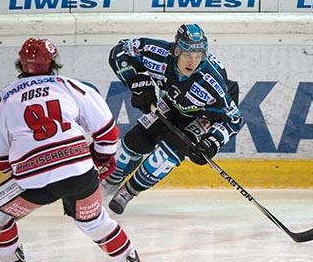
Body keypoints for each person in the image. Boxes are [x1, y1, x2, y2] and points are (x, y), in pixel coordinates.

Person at [0, 38, 155, 262]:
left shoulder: (3, 99)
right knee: (94, 222)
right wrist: (101, 160)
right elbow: (107, 132)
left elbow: (3, 161)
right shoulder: (70, 87)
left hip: (32, 181)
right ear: (54, 63)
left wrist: (10, 210)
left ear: (20, 64)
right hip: (79, 174)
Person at [103, 23, 242, 214]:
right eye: (187, 55)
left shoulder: (211, 83)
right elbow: (119, 52)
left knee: (169, 152)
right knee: (136, 141)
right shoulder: (157, 52)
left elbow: (234, 119)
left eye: (197, 56)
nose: (192, 62)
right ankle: (110, 181)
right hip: (174, 102)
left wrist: (212, 142)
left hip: (205, 115)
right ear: (176, 50)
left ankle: (128, 192)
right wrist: (136, 82)